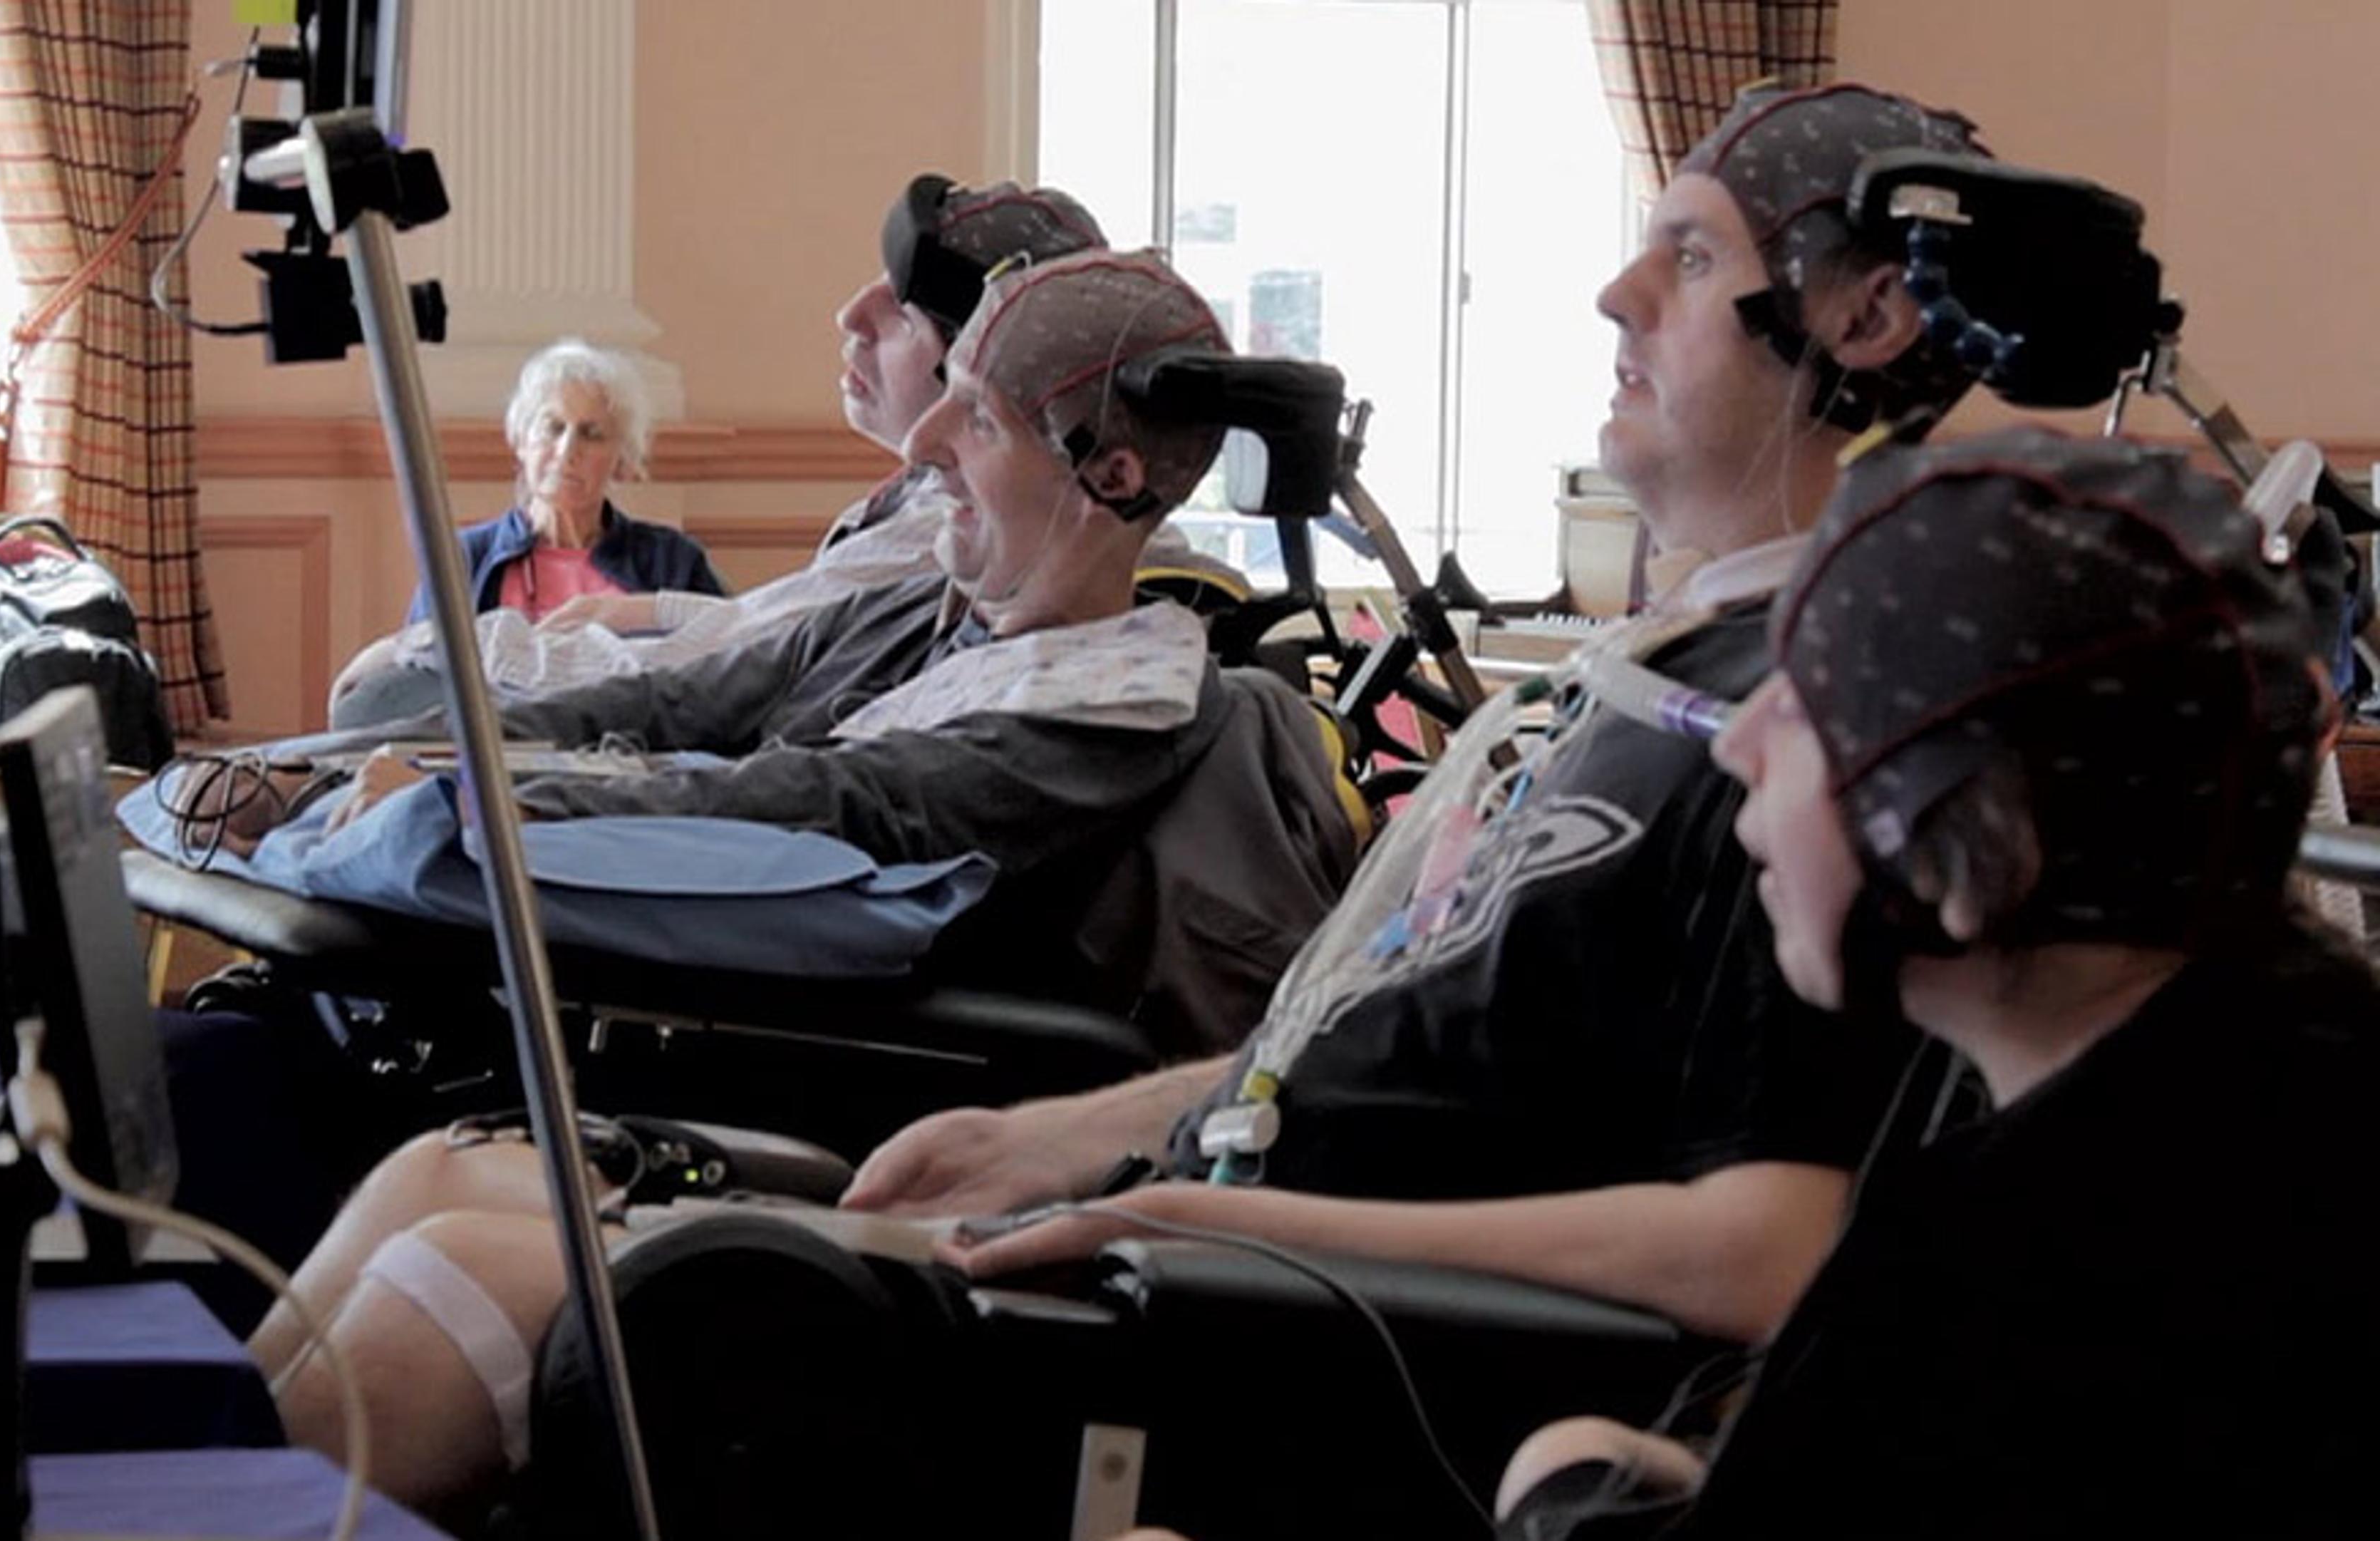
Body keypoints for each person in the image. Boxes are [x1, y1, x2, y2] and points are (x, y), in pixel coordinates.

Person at [243, 82, 1991, 1513]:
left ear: (1864, 313)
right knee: (428, 1180)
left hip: (1304, 1320)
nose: (1614, 296)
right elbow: (1378, 1028)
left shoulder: (1808, 709)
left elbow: (1769, 1244)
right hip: (1174, 1198)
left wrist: (1184, 1204)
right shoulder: (1638, 670)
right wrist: (1090, 1124)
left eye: (1682, 259)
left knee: (456, 1292)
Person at [1492, 428, 2374, 1541]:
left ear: (1972, 826)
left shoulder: (1985, 1274)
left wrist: (1562, 1481)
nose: (1738, 744)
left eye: (1806, 697)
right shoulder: (2306, 1067)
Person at [325, 177, 1109, 728]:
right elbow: (766, 632)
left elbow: (728, 666)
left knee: (383, 701)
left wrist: (450, 647)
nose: (850, 313)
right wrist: (649, 611)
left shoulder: (960, 527)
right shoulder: (917, 502)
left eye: (901, 310)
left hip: (699, 763)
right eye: (551, 428)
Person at [397, 337, 723, 629]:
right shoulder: (464, 559)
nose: (567, 452)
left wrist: (645, 612)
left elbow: (738, 650)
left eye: (591, 434)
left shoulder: (672, 560)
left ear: (621, 461)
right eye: (553, 428)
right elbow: (417, 674)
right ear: (522, 442)